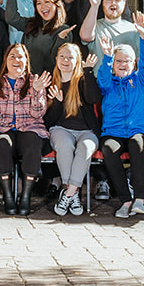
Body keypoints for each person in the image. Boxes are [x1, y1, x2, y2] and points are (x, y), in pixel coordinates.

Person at [0, 44, 52, 216]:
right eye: (12, 56)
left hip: (29, 127)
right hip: (2, 127)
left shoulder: (35, 80)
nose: (16, 60)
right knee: (1, 144)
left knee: (32, 143)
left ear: (26, 61)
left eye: (20, 56)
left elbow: (37, 113)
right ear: (5, 60)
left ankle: (26, 196)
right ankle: (8, 196)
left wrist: (36, 91)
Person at [95, 26, 144, 220]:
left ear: (133, 63)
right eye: (118, 61)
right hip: (114, 131)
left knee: (136, 144)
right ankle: (125, 200)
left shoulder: (141, 80)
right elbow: (102, 77)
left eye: (126, 61)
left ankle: (139, 199)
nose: (122, 64)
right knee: (108, 149)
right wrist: (107, 57)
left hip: (140, 130)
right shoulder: (108, 83)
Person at [46, 41, 102, 217]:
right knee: (64, 144)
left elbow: (93, 98)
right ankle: (74, 193)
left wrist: (88, 71)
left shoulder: (84, 79)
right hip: (61, 129)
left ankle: (68, 192)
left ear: (77, 60)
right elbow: (48, 121)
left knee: (85, 147)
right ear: (56, 59)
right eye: (62, 56)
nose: (65, 60)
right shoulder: (50, 81)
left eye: (70, 57)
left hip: (86, 131)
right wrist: (57, 103)